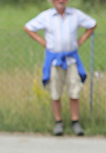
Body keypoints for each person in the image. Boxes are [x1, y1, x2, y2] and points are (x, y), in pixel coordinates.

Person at [24, 0, 96, 136]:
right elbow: (28, 27)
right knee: (55, 91)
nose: (60, 1)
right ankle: (58, 122)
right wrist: (43, 42)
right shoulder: (46, 16)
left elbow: (92, 24)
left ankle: (75, 122)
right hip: (54, 60)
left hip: (71, 59)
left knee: (74, 90)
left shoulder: (75, 15)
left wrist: (81, 40)